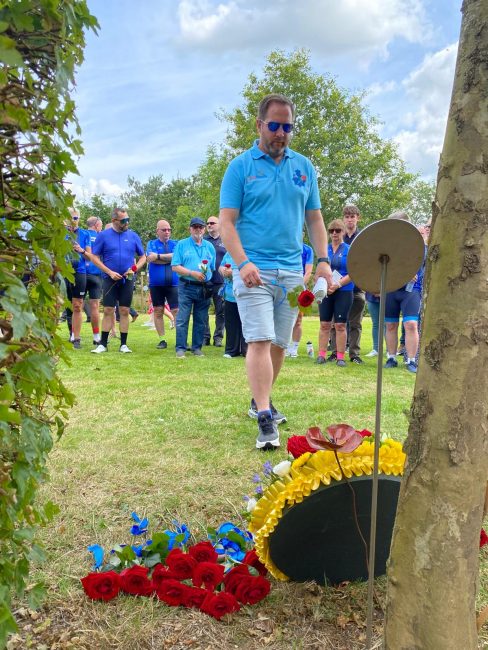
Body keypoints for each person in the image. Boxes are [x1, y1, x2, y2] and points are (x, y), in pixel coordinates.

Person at [219, 93, 332, 450]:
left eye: (288, 127)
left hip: (291, 272)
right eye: (274, 125)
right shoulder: (240, 167)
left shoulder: (304, 168)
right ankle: (265, 417)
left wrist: (324, 260)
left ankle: (259, 399)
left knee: (280, 344)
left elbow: (314, 219)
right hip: (253, 269)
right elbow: (226, 222)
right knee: (260, 339)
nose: (281, 133)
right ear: (259, 125)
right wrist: (242, 262)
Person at [84, 208, 146, 354]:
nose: (127, 223)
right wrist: (109, 272)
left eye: (128, 219)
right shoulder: (104, 236)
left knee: (124, 310)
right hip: (109, 278)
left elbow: (143, 257)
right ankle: (103, 344)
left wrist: (135, 268)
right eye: (124, 220)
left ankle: (123, 344)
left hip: (128, 278)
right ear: (114, 221)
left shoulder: (133, 236)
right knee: (108, 310)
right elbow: (94, 257)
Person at [384, 211, 422, 373]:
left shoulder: (416, 242)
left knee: (411, 324)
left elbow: (420, 263)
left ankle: (411, 360)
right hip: (391, 289)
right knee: (391, 324)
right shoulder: (385, 245)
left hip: (411, 290)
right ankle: (391, 358)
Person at [171, 217, 216, 357]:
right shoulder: (182, 245)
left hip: (203, 288)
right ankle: (181, 348)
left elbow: (212, 268)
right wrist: (192, 273)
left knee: (201, 319)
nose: (198, 230)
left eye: (200, 227)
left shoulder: (209, 246)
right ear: (190, 229)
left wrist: (206, 277)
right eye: (195, 227)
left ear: (204, 229)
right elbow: (175, 267)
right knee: (182, 318)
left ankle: (197, 348)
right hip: (187, 285)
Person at [329, 204, 365, 364]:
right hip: (336, 289)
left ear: (358, 218)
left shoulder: (362, 237)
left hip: (356, 287)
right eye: (347, 217)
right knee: (335, 323)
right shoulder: (338, 236)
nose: (350, 220)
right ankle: (335, 352)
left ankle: (354, 354)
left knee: (355, 323)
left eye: (353, 216)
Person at [316, 220, 354, 367]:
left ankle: (340, 357)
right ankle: (321, 355)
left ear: (343, 232)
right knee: (324, 324)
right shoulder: (325, 251)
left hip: (344, 290)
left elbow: (353, 273)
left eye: (337, 230)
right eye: (331, 231)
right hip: (326, 290)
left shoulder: (349, 250)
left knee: (340, 325)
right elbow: (320, 270)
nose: (334, 234)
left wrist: (338, 284)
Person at [146, 219, 179, 350]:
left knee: (176, 311)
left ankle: (179, 339)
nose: (167, 232)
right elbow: (150, 258)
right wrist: (168, 259)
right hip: (156, 284)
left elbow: (176, 257)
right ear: (157, 231)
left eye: (169, 229)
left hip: (174, 283)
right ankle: (162, 339)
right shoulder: (151, 243)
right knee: (158, 311)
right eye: (164, 230)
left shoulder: (176, 243)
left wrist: (158, 257)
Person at [65, 208, 91, 349]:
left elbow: (90, 256)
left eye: (75, 218)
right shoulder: (60, 233)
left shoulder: (85, 234)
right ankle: (67, 333)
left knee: (77, 304)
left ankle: (76, 338)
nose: (73, 221)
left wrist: (81, 250)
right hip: (63, 271)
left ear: (79, 219)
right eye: (70, 218)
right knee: (62, 303)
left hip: (79, 271)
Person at [285, 242, 314, 357]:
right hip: (284, 287)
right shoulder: (285, 245)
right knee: (284, 319)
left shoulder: (307, 250)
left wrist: (298, 288)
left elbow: (308, 272)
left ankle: (294, 349)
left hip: (299, 289)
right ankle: (285, 347)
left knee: (298, 320)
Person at [203, 216, 226, 347]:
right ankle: (205, 337)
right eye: (208, 223)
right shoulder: (203, 241)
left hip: (220, 281)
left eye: (212, 223)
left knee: (220, 311)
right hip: (205, 280)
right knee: (203, 310)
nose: (209, 225)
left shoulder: (225, 240)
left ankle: (218, 337)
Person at [220, 251, 247, 358]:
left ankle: (246, 350)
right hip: (230, 294)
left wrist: (233, 272)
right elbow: (221, 266)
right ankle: (231, 350)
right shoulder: (229, 252)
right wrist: (222, 270)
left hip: (246, 294)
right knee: (231, 323)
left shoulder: (250, 251)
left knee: (246, 323)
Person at [85, 216, 103, 345]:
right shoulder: (101, 237)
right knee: (95, 306)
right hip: (95, 275)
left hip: (81, 274)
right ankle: (96, 336)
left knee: (74, 306)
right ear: (96, 225)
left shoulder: (81, 235)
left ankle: (73, 336)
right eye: (100, 225)